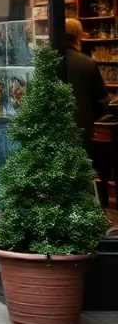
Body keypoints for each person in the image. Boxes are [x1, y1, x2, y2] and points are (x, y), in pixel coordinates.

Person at [65, 19, 110, 205]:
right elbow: (102, 102)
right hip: (82, 130)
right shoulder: (87, 63)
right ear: (78, 36)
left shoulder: (49, 62)